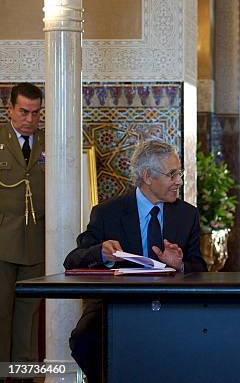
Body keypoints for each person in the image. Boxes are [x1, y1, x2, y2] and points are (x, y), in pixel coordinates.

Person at [64, 140, 207, 383]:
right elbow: (73, 260)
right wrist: (102, 253)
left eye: (179, 173)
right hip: (118, 302)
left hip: (172, 303)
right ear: (147, 176)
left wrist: (180, 265)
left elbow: (200, 269)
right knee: (84, 339)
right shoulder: (107, 212)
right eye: (172, 174)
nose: (179, 181)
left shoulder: (187, 214)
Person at [0, 83, 45, 365]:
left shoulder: (49, 142)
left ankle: (24, 371)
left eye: (36, 113)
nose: (30, 120)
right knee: (1, 312)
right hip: (3, 242)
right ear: (10, 110)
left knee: (30, 313)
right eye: (24, 112)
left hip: (38, 241)